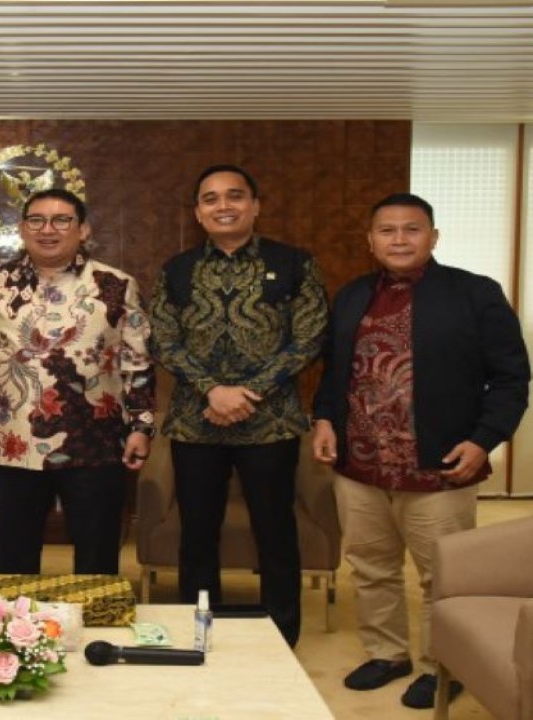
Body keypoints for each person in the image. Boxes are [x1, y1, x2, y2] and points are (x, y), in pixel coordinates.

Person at [311, 192, 531, 709]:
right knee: (370, 566)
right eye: (387, 230)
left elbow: (511, 379)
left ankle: (442, 665)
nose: (399, 239)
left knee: (443, 576)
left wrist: (483, 440)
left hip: (441, 467)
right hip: (360, 466)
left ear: (433, 237)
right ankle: (387, 653)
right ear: (371, 241)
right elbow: (333, 372)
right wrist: (323, 418)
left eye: (412, 229)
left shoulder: (475, 294)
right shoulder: (352, 295)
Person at [148, 164, 327, 648]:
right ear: (198, 213)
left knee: (276, 533)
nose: (223, 206)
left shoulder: (294, 263)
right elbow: (163, 340)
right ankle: (200, 632)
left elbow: (309, 337)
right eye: (210, 199)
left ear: (255, 205)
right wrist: (213, 389)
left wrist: (247, 393)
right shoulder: (177, 269)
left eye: (234, 196)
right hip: (196, 423)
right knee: (198, 536)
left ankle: (280, 636)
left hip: (269, 423)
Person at [0, 188, 155, 575]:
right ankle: (14, 632)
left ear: (83, 230)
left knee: (97, 557)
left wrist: (142, 426)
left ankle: (96, 635)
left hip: (96, 443)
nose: (49, 230)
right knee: (13, 558)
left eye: (62, 220)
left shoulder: (116, 285)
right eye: (37, 220)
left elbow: (138, 362)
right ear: (22, 228)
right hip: (12, 442)